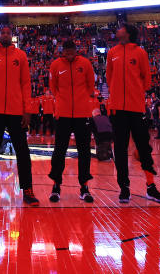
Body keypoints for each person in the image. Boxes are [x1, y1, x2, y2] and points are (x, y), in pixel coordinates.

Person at [106, 23, 160, 204]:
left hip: (137, 108)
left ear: (128, 33)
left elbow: (147, 80)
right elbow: (109, 78)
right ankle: (124, 188)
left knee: (144, 148)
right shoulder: (112, 53)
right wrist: (117, 93)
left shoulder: (140, 53)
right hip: (117, 108)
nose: (117, 30)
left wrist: (134, 92)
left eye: (120, 28)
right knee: (120, 149)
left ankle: (150, 185)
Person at [0, 26, 38, 206]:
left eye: (7, 33)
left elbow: (26, 83)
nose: (5, 35)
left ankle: (27, 190)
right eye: (2, 33)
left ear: (12, 36)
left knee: (23, 151)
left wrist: (27, 109)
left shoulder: (20, 56)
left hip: (16, 111)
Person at [47, 39, 96, 203]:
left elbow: (90, 85)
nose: (69, 54)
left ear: (76, 50)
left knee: (84, 151)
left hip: (83, 113)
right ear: (62, 51)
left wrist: (82, 100)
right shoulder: (55, 65)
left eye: (71, 51)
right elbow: (53, 86)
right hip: (63, 113)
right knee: (59, 151)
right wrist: (62, 100)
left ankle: (85, 187)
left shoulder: (85, 64)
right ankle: (56, 186)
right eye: (66, 52)